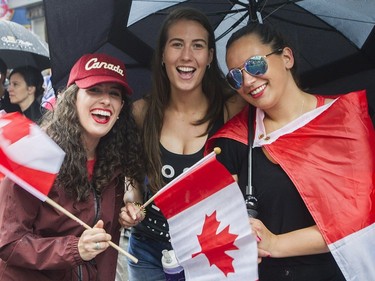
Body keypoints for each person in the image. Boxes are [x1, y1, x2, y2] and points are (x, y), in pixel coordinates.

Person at [205, 24, 375, 280]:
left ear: (286, 57)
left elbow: (360, 218)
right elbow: (219, 222)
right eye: (235, 77)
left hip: (337, 272)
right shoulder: (234, 141)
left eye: (255, 65)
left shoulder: (345, 120)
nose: (248, 81)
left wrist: (275, 243)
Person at [117, 7, 246, 281]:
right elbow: (131, 174)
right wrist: (132, 203)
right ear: (163, 54)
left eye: (197, 46)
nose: (186, 56)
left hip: (210, 249)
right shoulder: (141, 112)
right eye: (177, 44)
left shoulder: (232, 108)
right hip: (147, 252)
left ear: (210, 56)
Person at [0, 53, 145, 281]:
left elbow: (98, 227)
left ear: (121, 108)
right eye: (94, 90)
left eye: (114, 94)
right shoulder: (36, 154)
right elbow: (8, 242)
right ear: (72, 99)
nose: (106, 100)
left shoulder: (115, 159)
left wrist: (127, 212)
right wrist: (74, 249)